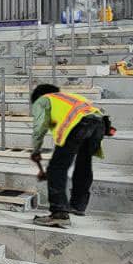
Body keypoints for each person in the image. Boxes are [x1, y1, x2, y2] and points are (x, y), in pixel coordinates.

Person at [28, 83, 111, 227]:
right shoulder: (69, 97)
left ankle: (59, 213)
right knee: (83, 164)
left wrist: (36, 150)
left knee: (56, 168)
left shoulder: (43, 100)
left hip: (79, 125)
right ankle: (78, 205)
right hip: (99, 123)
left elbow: (39, 127)